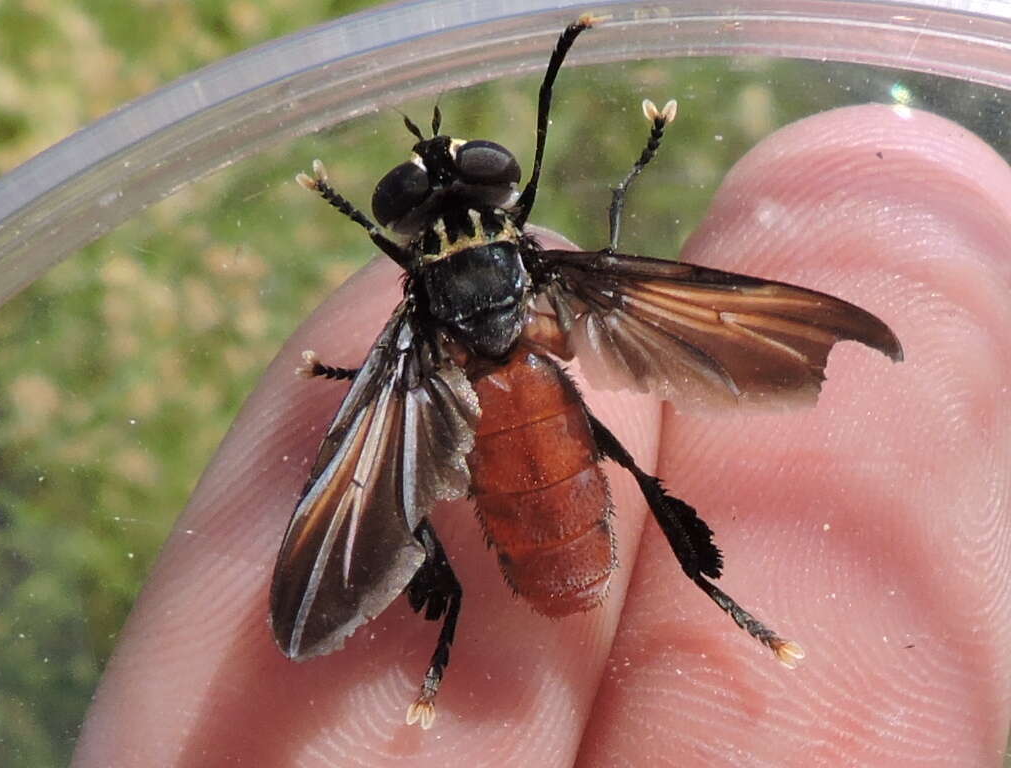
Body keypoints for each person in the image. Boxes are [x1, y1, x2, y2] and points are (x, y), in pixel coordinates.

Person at [73, 103, 1011, 767]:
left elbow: (381, 459)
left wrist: (358, 373)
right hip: (536, 405)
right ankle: (730, 612)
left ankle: (458, 629)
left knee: (403, 473)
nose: (444, 178)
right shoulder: (558, 278)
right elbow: (696, 310)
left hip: (456, 395)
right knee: (620, 456)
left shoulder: (414, 328)